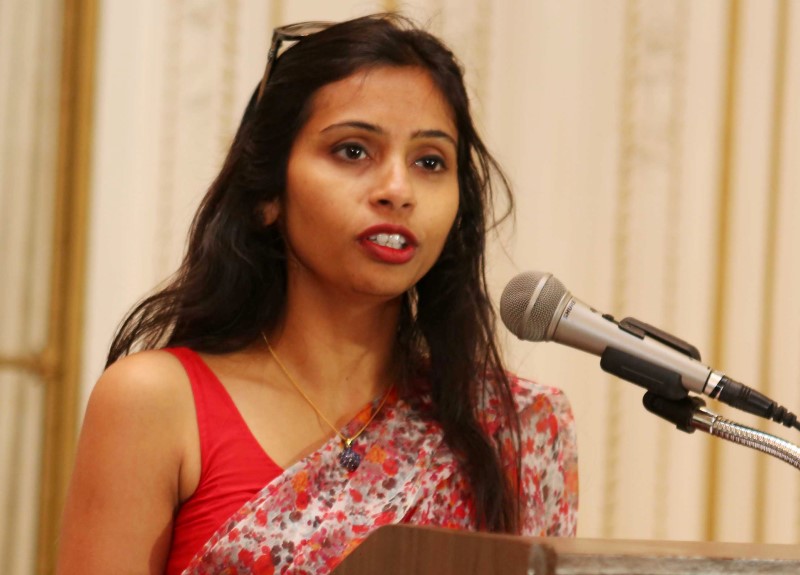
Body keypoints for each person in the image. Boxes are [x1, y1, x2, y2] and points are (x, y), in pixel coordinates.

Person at [57, 13, 577, 575]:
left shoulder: (512, 429)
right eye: (353, 151)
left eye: (430, 162)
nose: (398, 191)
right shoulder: (154, 402)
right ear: (268, 194)